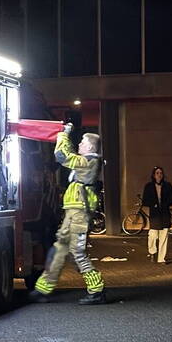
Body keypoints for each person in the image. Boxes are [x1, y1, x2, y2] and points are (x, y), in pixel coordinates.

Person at [28, 125, 108, 305]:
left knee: (77, 252)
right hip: (73, 211)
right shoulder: (86, 161)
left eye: (82, 142)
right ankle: (43, 288)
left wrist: (63, 135)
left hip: (80, 213)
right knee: (60, 248)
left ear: (90, 147)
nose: (79, 144)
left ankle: (97, 290)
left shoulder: (90, 162)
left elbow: (62, 156)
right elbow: (69, 155)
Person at [142, 166, 172, 264]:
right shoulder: (149, 186)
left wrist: (166, 203)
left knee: (164, 236)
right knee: (152, 235)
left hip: (165, 214)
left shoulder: (168, 186)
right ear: (153, 175)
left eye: (161, 173)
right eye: (157, 173)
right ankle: (152, 251)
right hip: (155, 215)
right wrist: (153, 204)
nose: (159, 175)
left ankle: (161, 259)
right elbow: (145, 200)